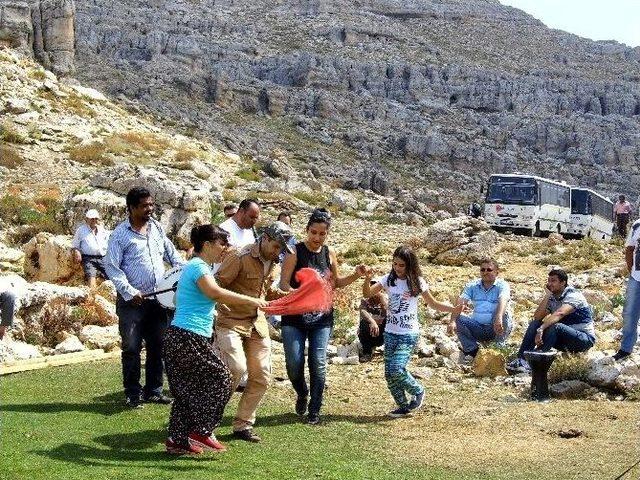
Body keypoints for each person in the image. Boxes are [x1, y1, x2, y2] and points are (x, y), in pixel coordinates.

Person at [163, 225, 267, 455]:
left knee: (187, 390)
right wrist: (251, 301)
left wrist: (219, 305)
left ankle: (177, 441)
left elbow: (202, 299)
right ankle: (201, 430)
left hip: (183, 336)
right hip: (187, 336)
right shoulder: (198, 266)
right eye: (222, 244)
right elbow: (215, 293)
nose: (225, 249)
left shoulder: (198, 267)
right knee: (221, 378)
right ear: (208, 245)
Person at [279, 208, 368, 425]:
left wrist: (357, 275)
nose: (317, 238)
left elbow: (335, 283)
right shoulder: (294, 252)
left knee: (318, 362)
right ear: (306, 230)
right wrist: (300, 295)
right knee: (294, 362)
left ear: (327, 234)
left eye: (322, 234)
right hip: (294, 317)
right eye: (313, 232)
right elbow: (283, 284)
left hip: (322, 317)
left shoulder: (329, 254)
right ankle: (302, 392)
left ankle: (315, 409)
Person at [105, 187, 184, 409]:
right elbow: (111, 267)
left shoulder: (157, 227)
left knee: (158, 346)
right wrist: (130, 292)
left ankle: (154, 391)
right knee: (131, 346)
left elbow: (172, 255)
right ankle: (132, 393)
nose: (149, 209)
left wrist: (184, 272)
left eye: (151, 204)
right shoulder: (120, 235)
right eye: (144, 205)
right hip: (132, 303)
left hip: (159, 300)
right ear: (131, 208)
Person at [214, 221, 293, 443]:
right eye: (277, 247)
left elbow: (266, 292)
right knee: (234, 369)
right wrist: (219, 310)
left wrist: (291, 296)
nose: (279, 253)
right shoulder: (239, 256)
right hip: (230, 321)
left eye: (282, 250)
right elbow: (217, 286)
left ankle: (243, 425)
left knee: (261, 376)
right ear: (265, 238)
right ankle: (208, 417)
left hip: (256, 323)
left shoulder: (274, 262)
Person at [363, 246, 462, 418]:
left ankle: (418, 390)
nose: (397, 268)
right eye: (394, 264)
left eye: (401, 265)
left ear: (410, 265)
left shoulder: (417, 281)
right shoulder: (388, 279)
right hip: (390, 332)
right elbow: (367, 293)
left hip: (408, 334)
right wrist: (367, 279)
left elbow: (433, 303)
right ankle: (403, 407)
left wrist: (453, 308)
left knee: (396, 368)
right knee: (389, 374)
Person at [507, 269, 596, 374]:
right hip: (563, 340)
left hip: (583, 339)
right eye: (548, 281)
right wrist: (547, 295)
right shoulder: (553, 297)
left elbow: (560, 313)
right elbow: (537, 317)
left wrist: (541, 329)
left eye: (553, 281)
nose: (549, 284)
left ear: (563, 283)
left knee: (555, 326)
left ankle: (534, 362)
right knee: (535, 324)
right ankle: (522, 359)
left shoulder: (574, 295)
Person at [448, 258, 513, 361]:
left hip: (495, 326)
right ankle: (473, 351)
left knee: (504, 314)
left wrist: (498, 317)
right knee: (458, 318)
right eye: (482, 270)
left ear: (497, 272)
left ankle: (497, 348)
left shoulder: (502, 285)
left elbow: (503, 300)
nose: (485, 272)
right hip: (478, 327)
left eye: (489, 270)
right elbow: (461, 302)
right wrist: (452, 321)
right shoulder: (472, 286)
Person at [612, 219, 640, 361]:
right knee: (629, 314)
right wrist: (632, 271)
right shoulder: (637, 225)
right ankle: (626, 349)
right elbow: (629, 249)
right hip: (637, 278)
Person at [71, 209, 110, 288]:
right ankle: (93, 295)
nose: (94, 220)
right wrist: (77, 252)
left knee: (112, 274)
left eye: (96, 218)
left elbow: (109, 242)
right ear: (86, 219)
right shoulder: (81, 230)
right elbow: (75, 244)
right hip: (88, 258)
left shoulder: (102, 230)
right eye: (92, 218)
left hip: (103, 257)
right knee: (91, 275)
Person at [358, 280, 387, 362]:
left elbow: (391, 313)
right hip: (369, 332)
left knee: (390, 321)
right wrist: (372, 321)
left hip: (382, 334)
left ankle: (390, 352)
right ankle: (367, 353)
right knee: (364, 322)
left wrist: (383, 301)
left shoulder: (386, 298)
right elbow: (362, 311)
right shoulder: (365, 299)